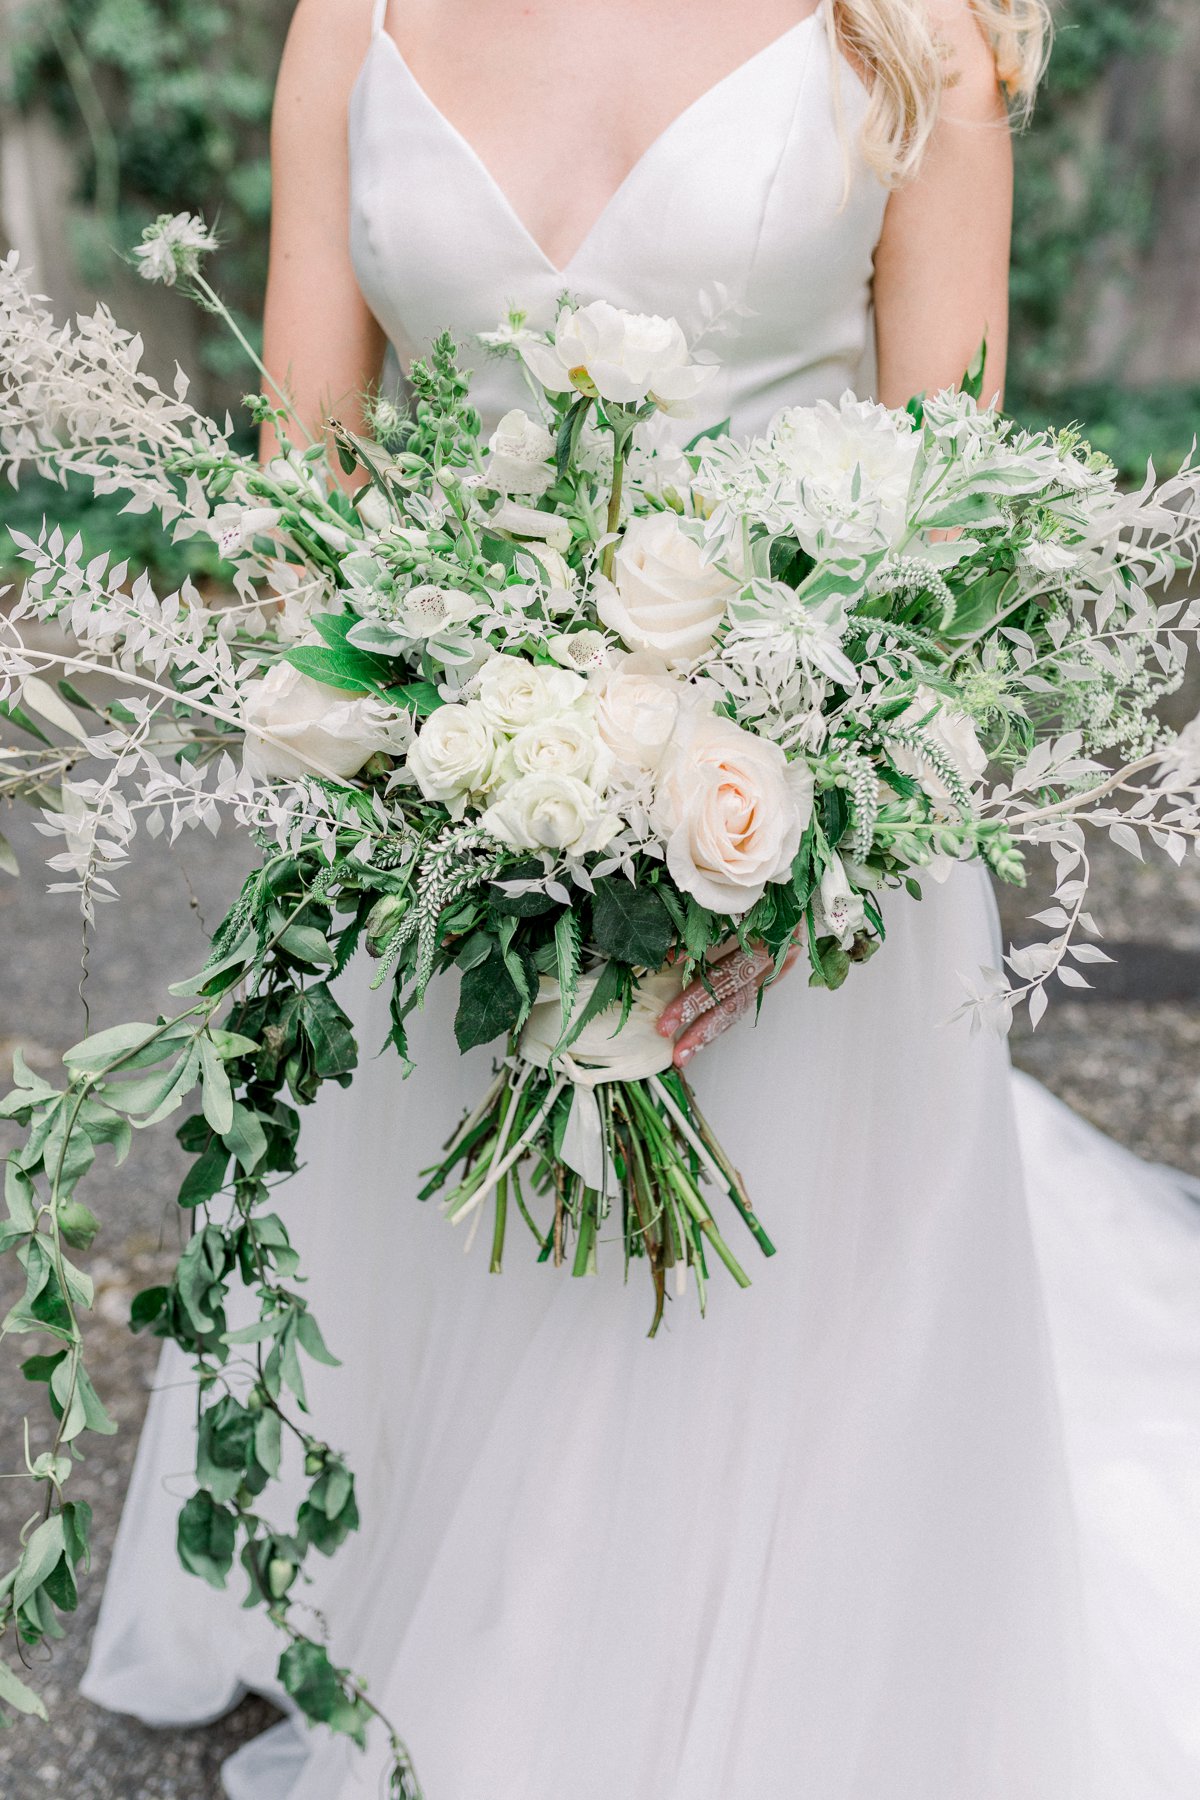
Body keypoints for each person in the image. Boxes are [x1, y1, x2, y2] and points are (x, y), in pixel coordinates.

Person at [82, 2, 1200, 1795]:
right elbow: (312, 481)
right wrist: (425, 777)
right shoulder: (347, 26)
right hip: (456, 803)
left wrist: (776, 847)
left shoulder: (906, 34)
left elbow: (950, 519)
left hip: (807, 820)